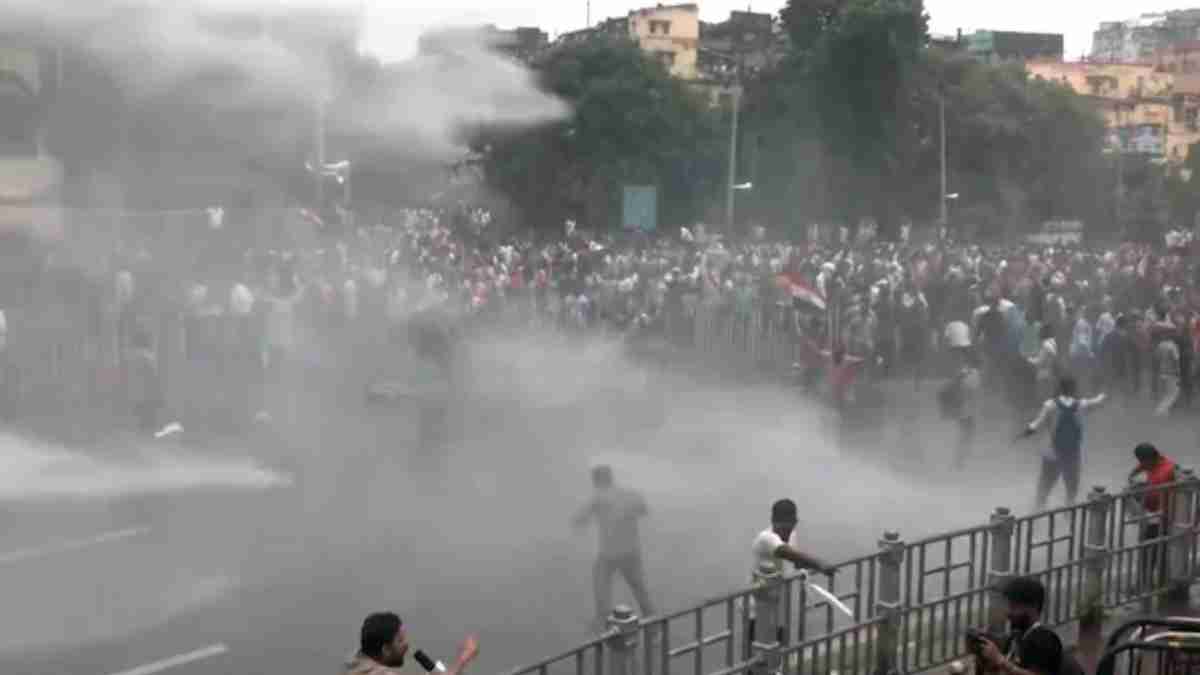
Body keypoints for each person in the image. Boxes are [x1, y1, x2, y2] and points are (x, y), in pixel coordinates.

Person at [745, 499, 837, 656]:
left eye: (791, 527)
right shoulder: (765, 538)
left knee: (778, 654)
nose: (787, 533)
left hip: (780, 608)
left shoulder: (791, 535)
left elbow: (794, 560)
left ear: (795, 522)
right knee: (758, 658)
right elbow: (787, 553)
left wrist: (804, 568)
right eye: (783, 528)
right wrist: (819, 564)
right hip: (758, 609)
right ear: (774, 521)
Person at [571, 465, 655, 631]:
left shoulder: (599, 498)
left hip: (609, 554)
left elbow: (579, 519)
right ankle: (654, 626)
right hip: (630, 551)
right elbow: (644, 509)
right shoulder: (629, 494)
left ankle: (602, 622)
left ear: (597, 481)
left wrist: (579, 521)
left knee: (601, 585)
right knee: (639, 589)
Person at [1022, 376, 1106, 510]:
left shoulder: (1050, 405)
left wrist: (1026, 432)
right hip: (1072, 454)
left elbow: (1036, 425)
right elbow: (1098, 401)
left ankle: (1037, 512)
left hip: (1052, 452)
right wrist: (1103, 393)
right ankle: (1069, 515)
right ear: (1074, 389)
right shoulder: (1081, 405)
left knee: (1044, 486)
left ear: (1060, 389)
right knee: (1071, 489)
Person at [977, 577, 1066, 675]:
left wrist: (1000, 660)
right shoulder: (1015, 637)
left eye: (1014, 607)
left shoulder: (1045, 639)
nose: (1008, 613)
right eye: (1009, 606)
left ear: (1033, 606)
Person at [343, 612, 478, 675]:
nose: (407, 644)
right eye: (400, 640)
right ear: (385, 649)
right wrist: (463, 658)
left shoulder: (357, 661)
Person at [1128, 443, 1177, 588]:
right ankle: (1152, 583)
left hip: (1163, 516)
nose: (1142, 465)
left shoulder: (1169, 470)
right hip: (1154, 512)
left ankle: (1146, 585)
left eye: (1142, 461)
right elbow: (1142, 467)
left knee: (1150, 551)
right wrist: (1132, 474)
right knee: (1153, 551)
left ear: (1149, 458)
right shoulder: (1156, 462)